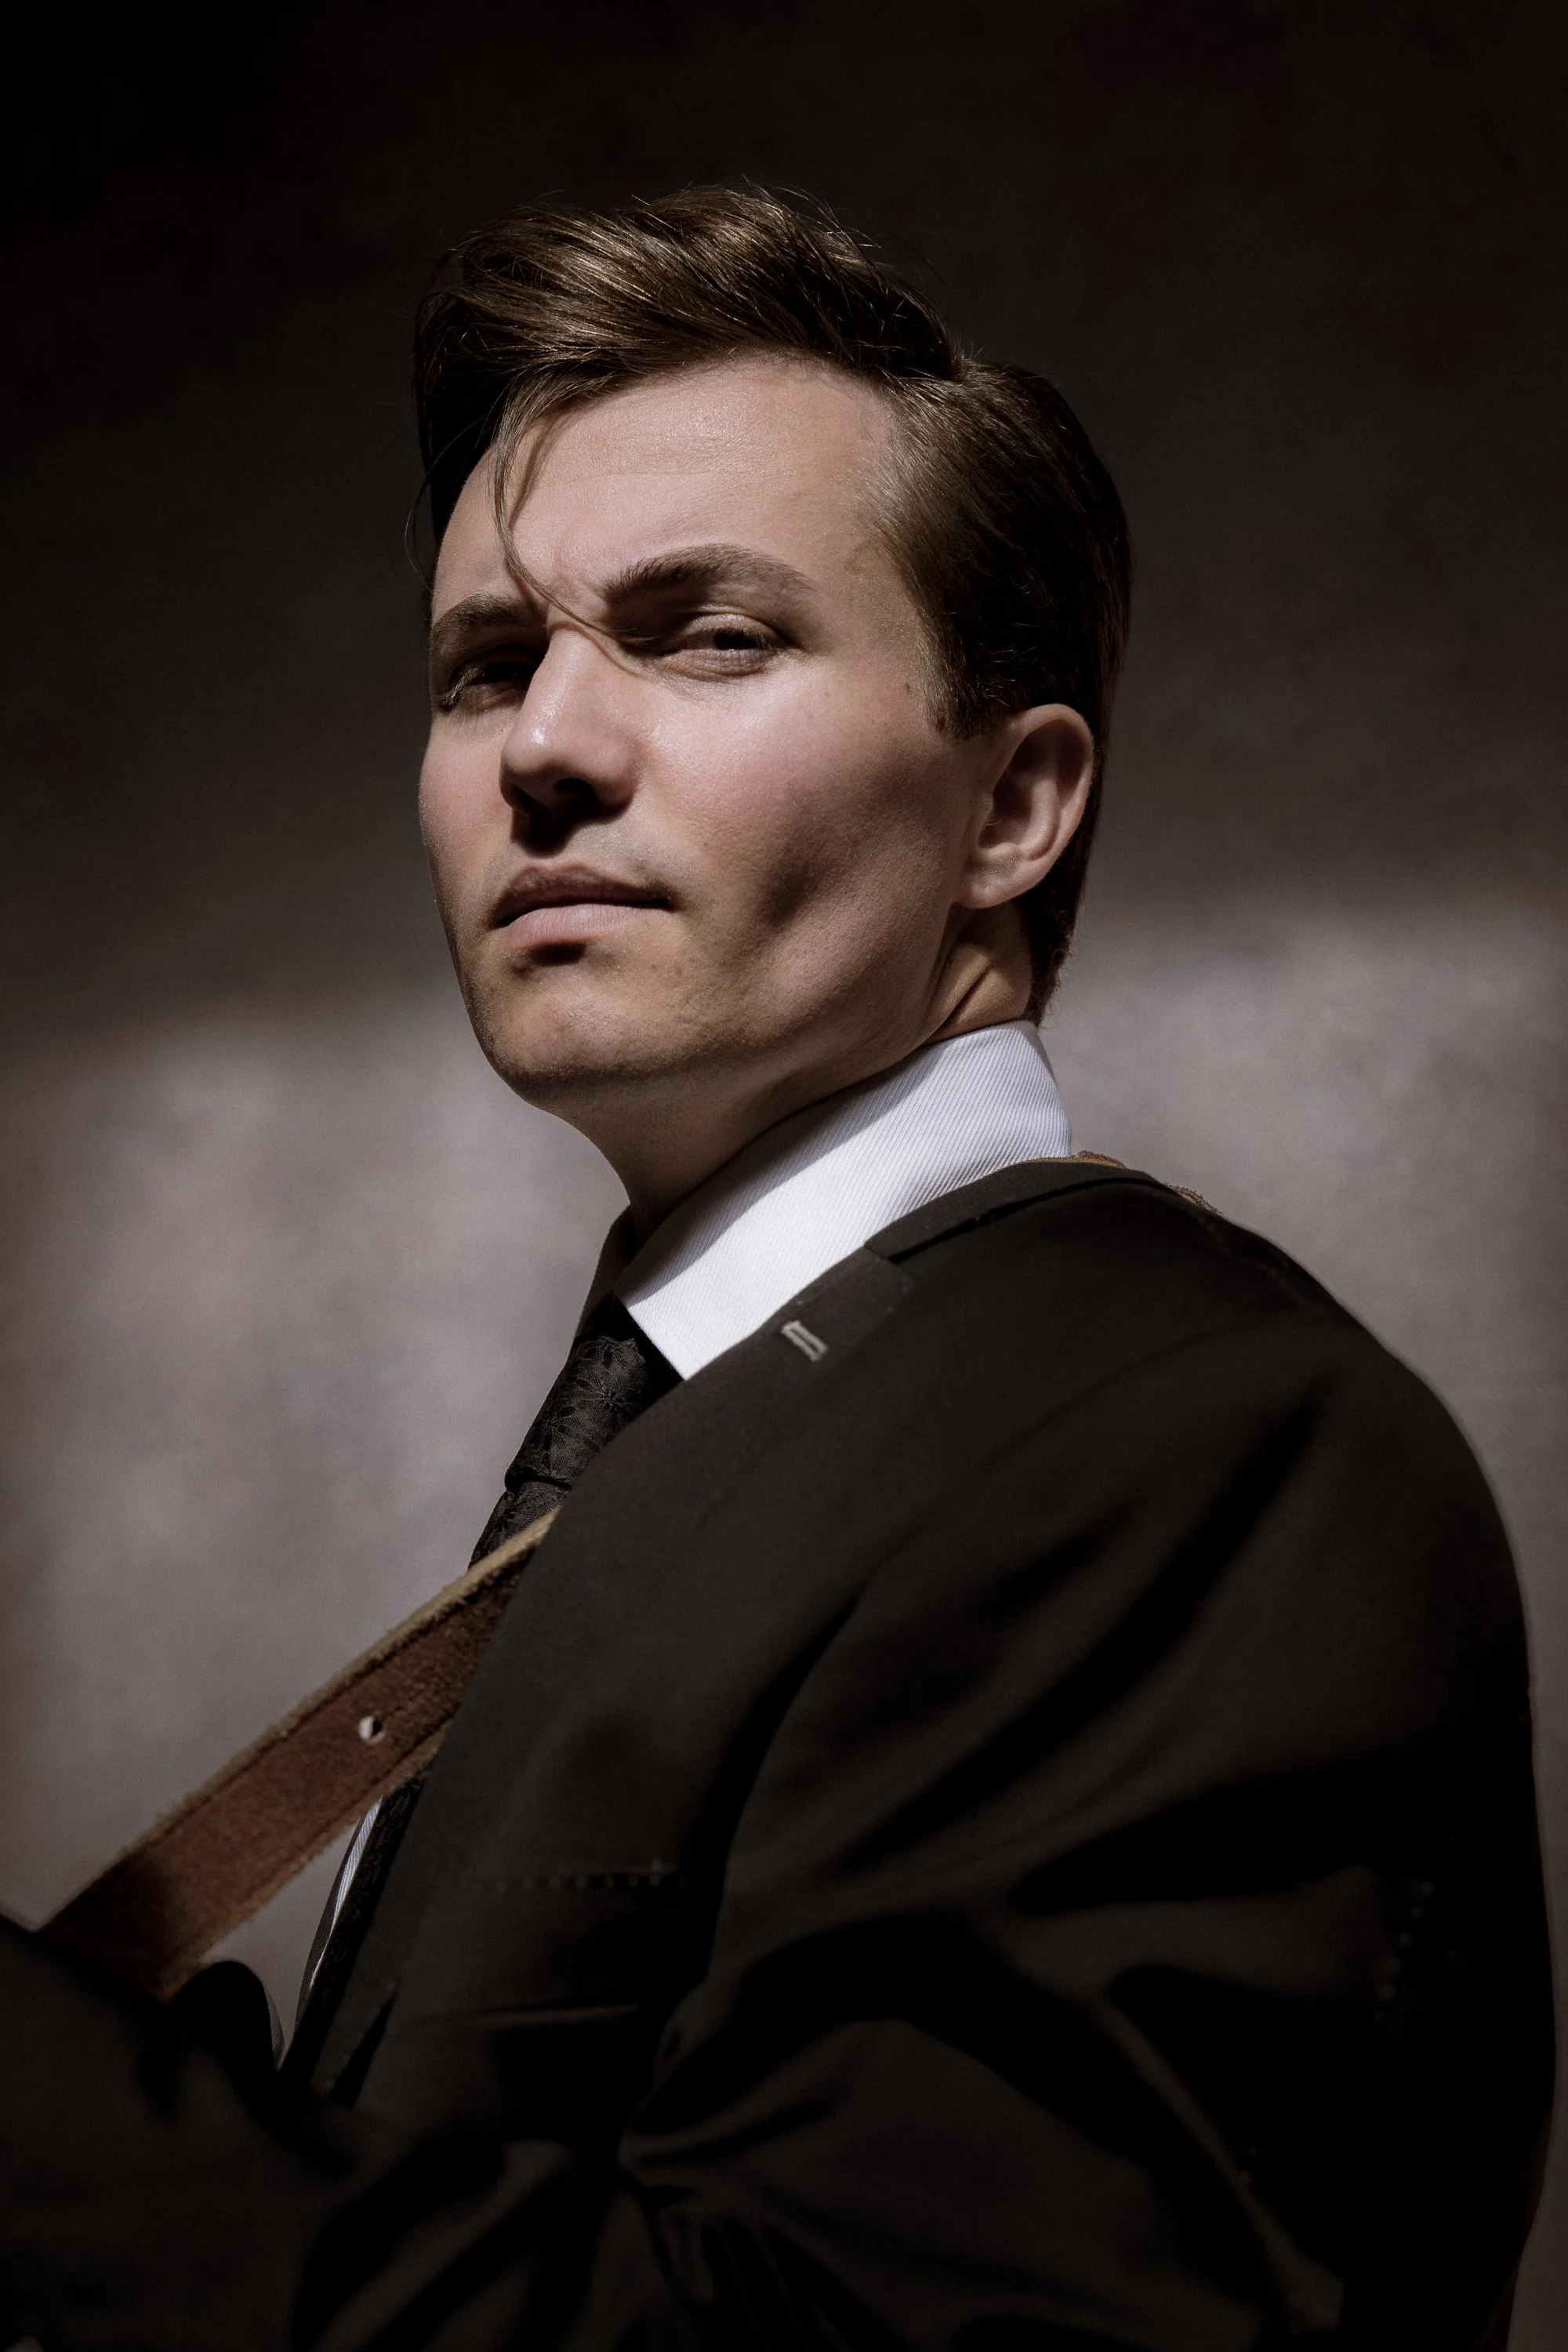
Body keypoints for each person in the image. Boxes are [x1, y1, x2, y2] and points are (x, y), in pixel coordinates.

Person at [0, 187, 1551, 2352]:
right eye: (487, 662)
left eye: (706, 633)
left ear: (1014, 807)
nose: (543, 744)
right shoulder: (732, 1426)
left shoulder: (1198, 1449)